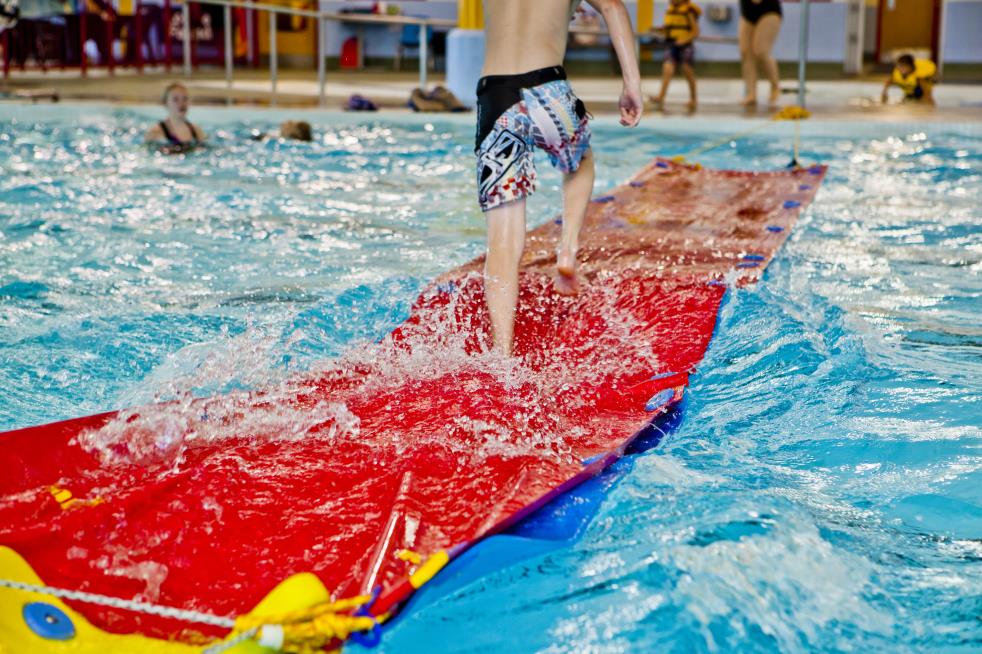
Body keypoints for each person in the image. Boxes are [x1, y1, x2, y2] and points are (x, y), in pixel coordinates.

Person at [476, 0, 642, 356]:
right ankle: (566, 250)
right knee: (579, 160)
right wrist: (632, 84)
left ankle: (501, 354)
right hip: (547, 89)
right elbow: (612, 6)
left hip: (495, 97)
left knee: (502, 243)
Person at [652, 0, 701, 111]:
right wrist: (659, 30)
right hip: (671, 44)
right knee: (667, 70)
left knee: (687, 71)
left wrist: (684, 40)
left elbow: (695, 31)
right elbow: (668, 28)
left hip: (685, 45)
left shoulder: (688, 11)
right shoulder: (670, 11)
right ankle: (661, 97)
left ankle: (693, 99)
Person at [739, 0, 782, 107]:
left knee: (761, 50)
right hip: (748, 12)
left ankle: (775, 85)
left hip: (769, 10)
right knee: (745, 52)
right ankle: (751, 94)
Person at [144, 82, 206, 154]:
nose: (181, 103)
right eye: (175, 99)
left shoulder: (197, 132)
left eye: (185, 99)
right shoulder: (155, 133)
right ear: (165, 103)